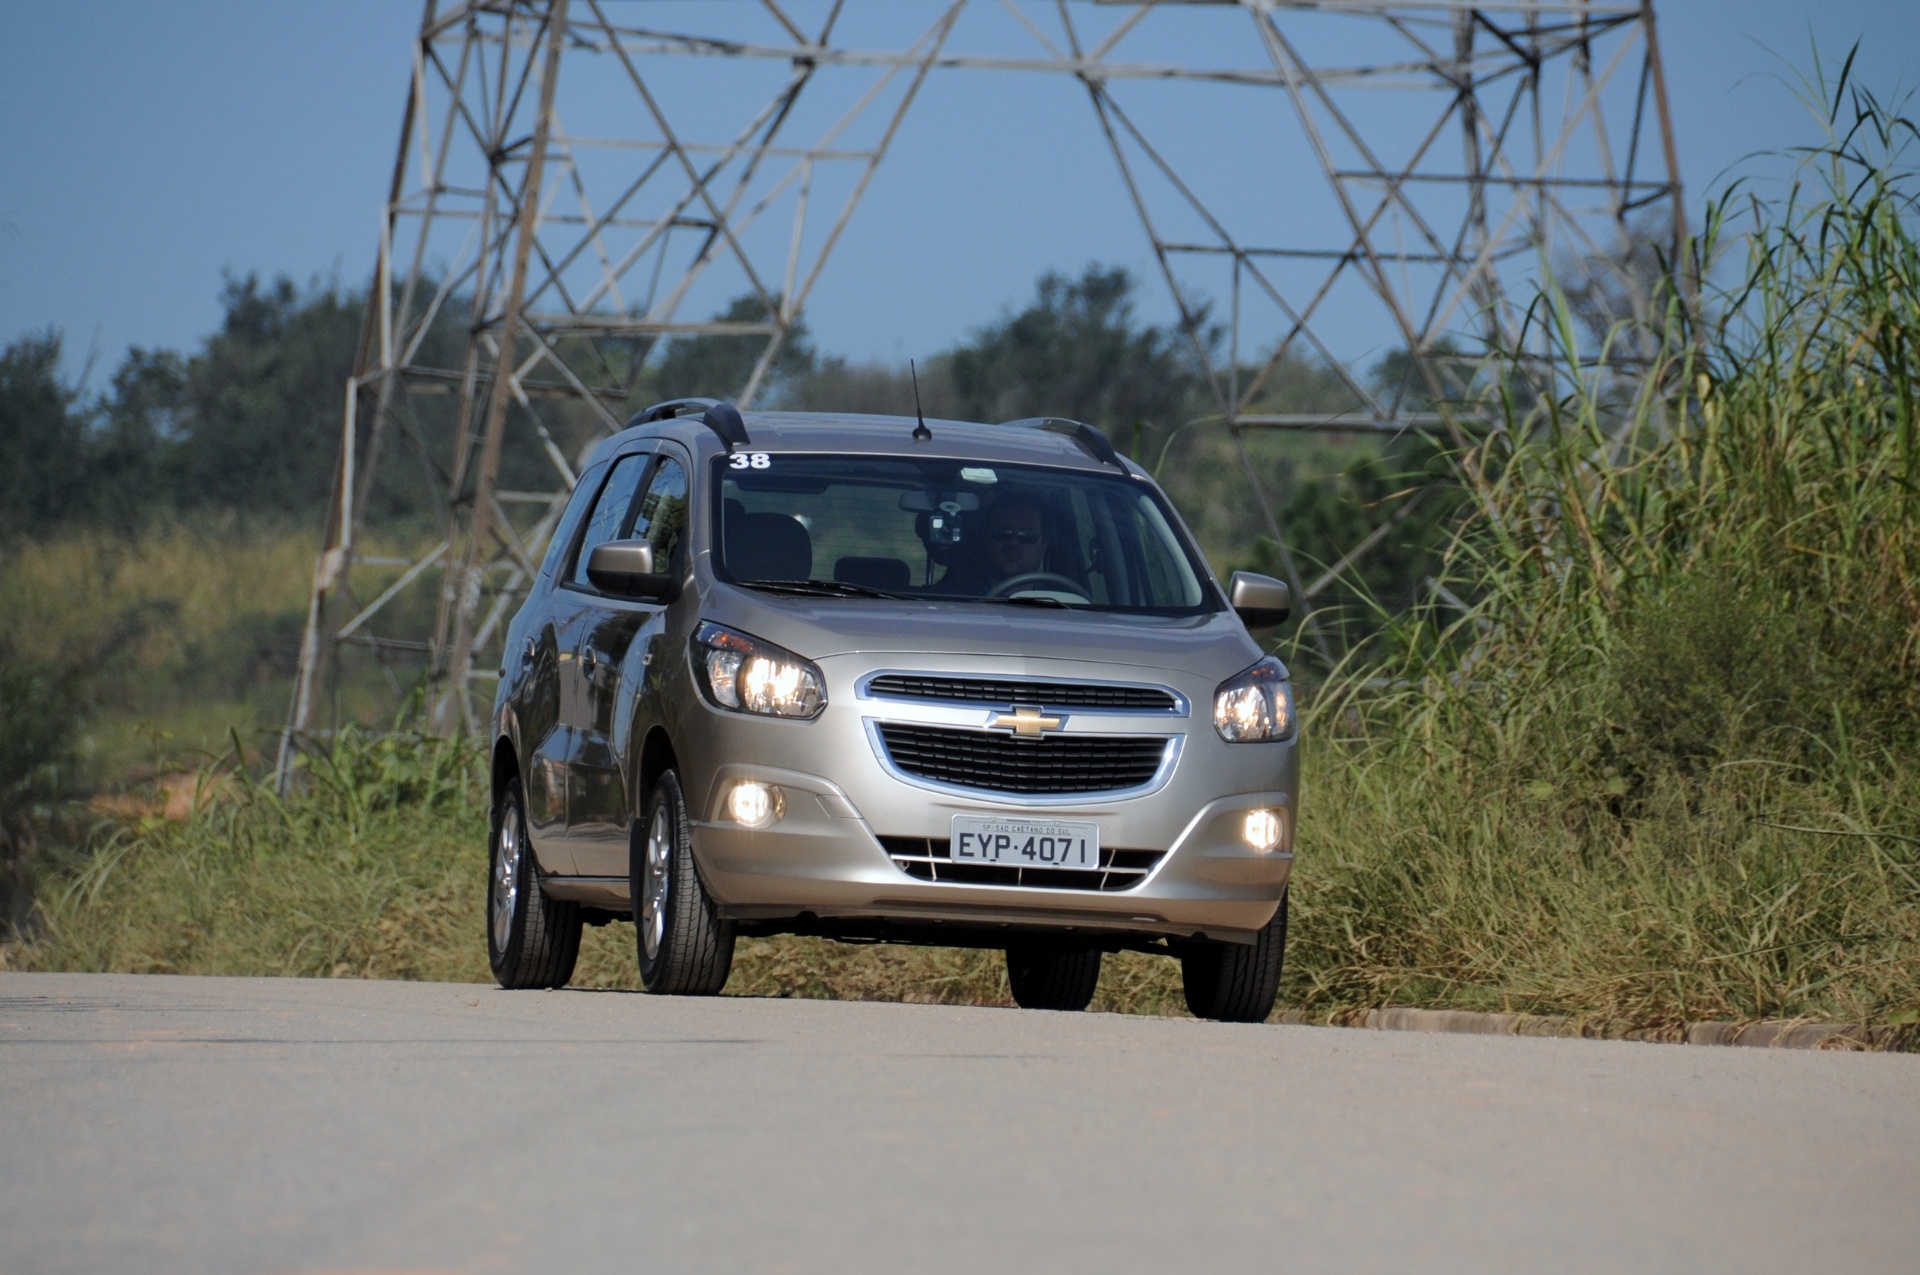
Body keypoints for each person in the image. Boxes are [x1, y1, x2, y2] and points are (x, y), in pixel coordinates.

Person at [983, 496, 1048, 591]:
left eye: (1027, 535)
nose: (1013, 542)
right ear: (986, 540)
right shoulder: (959, 598)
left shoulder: (1063, 602)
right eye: (1003, 532)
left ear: (1043, 547)